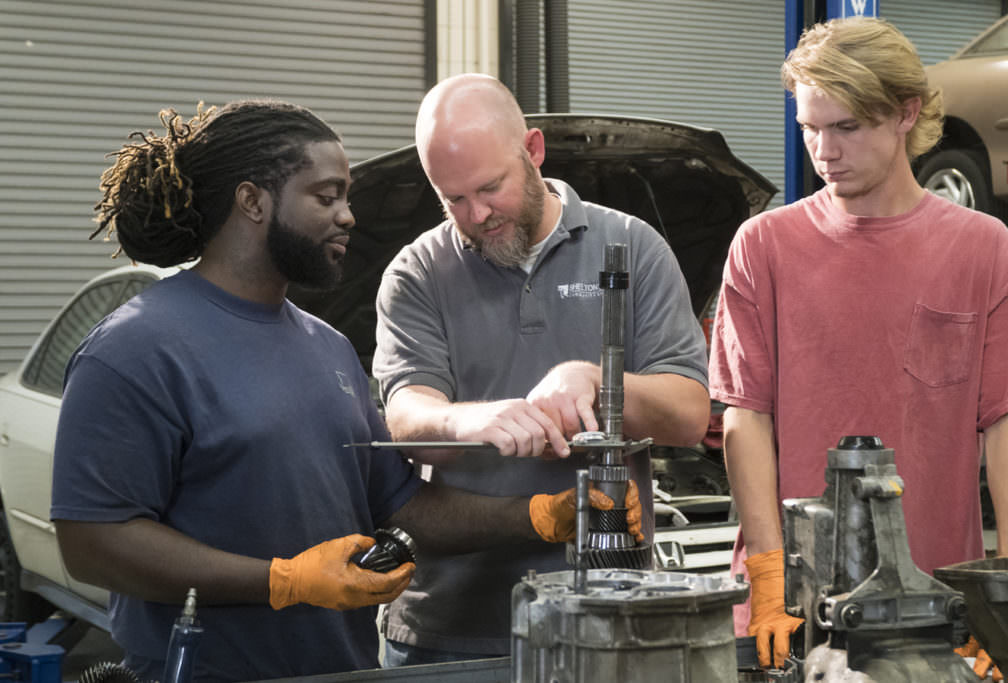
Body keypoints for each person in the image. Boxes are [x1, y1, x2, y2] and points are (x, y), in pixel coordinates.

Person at [50, 99, 642, 682]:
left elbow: (402, 507)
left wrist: (542, 516)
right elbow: (92, 542)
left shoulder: (326, 347)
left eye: (347, 198)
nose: (348, 216)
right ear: (253, 201)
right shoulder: (136, 349)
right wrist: (283, 580)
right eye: (326, 196)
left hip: (345, 669)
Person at [372, 73, 711, 664]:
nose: (475, 214)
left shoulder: (633, 247)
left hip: (606, 618)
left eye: (489, 188)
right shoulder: (417, 273)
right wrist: (470, 422)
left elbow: (688, 416)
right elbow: (406, 419)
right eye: (452, 199)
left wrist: (596, 380)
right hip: (449, 628)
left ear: (532, 150)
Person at [709, 17, 1008, 675]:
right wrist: (765, 578)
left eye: (846, 127)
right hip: (788, 610)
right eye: (810, 128)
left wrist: (1001, 596)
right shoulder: (763, 248)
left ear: (906, 113)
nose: (824, 150)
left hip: (932, 610)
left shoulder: (983, 249)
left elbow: (1003, 429)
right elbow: (744, 417)